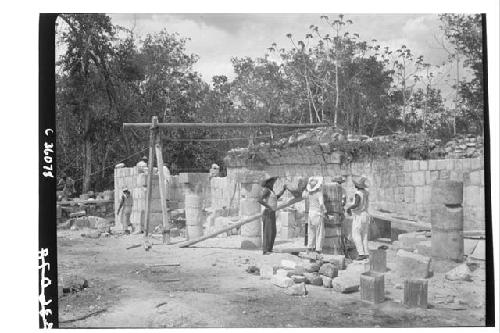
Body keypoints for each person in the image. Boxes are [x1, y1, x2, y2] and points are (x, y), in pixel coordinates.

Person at [258, 176, 286, 255]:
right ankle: (265, 250)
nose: (273, 183)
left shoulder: (271, 191)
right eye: (272, 182)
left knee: (273, 232)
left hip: (272, 213)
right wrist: (268, 206)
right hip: (268, 213)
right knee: (267, 231)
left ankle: (270, 248)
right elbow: (259, 200)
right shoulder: (266, 190)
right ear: (269, 183)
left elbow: (275, 198)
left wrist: (283, 191)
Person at [346, 176, 371, 260]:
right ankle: (366, 252)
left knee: (356, 235)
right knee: (364, 235)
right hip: (366, 214)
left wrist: (349, 208)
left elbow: (356, 204)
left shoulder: (358, 193)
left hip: (359, 215)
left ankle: (361, 253)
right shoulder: (366, 192)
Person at [305, 177, 326, 254]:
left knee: (311, 231)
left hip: (310, 213)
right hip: (317, 214)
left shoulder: (310, 194)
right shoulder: (319, 193)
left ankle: (309, 247)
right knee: (319, 232)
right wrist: (325, 212)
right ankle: (318, 249)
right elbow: (321, 204)